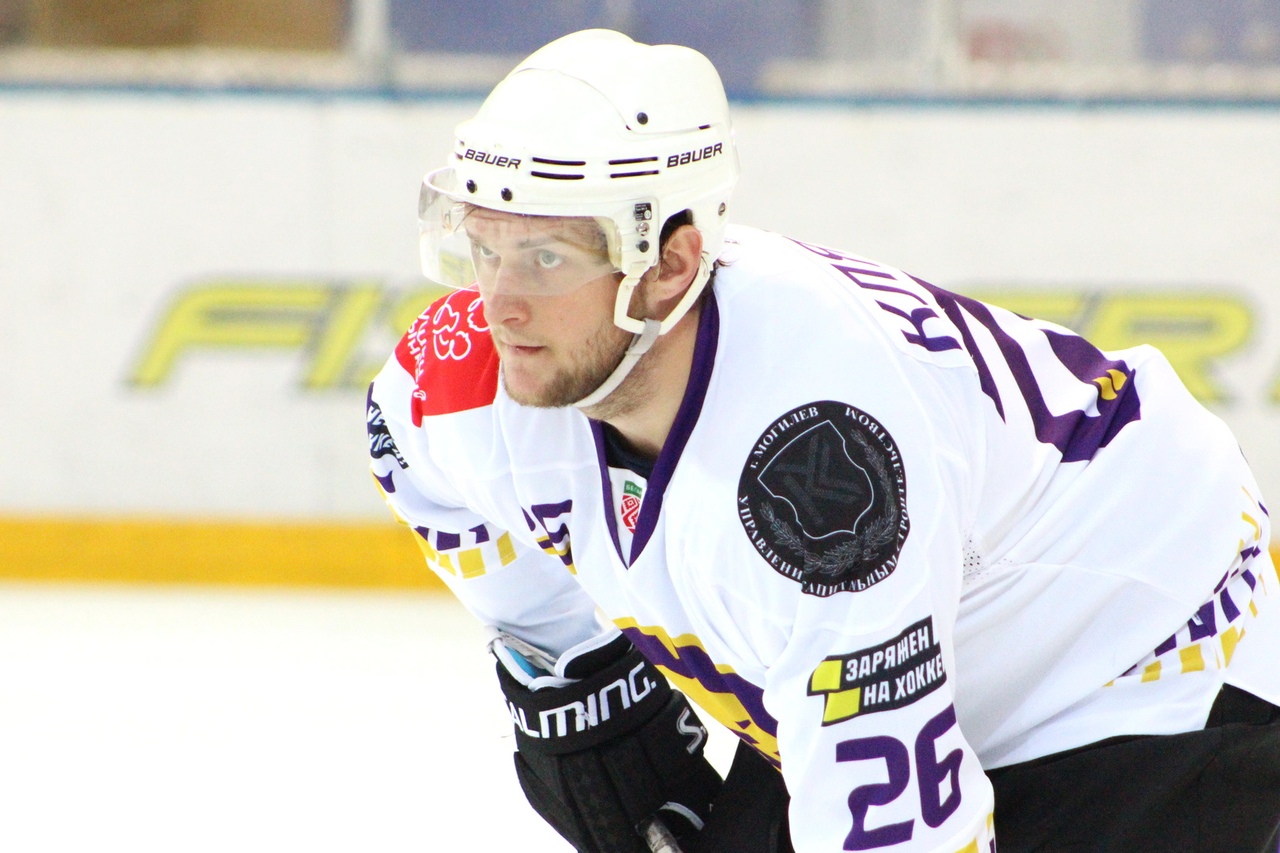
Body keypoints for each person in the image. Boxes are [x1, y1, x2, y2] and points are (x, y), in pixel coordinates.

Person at [366, 28, 1280, 853]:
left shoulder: (821, 477)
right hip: (946, 632)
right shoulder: (456, 381)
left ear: (670, 264)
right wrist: (577, 668)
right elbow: (404, 451)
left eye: (546, 258)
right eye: (484, 246)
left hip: (1148, 660)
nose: (499, 303)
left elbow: (904, 831)